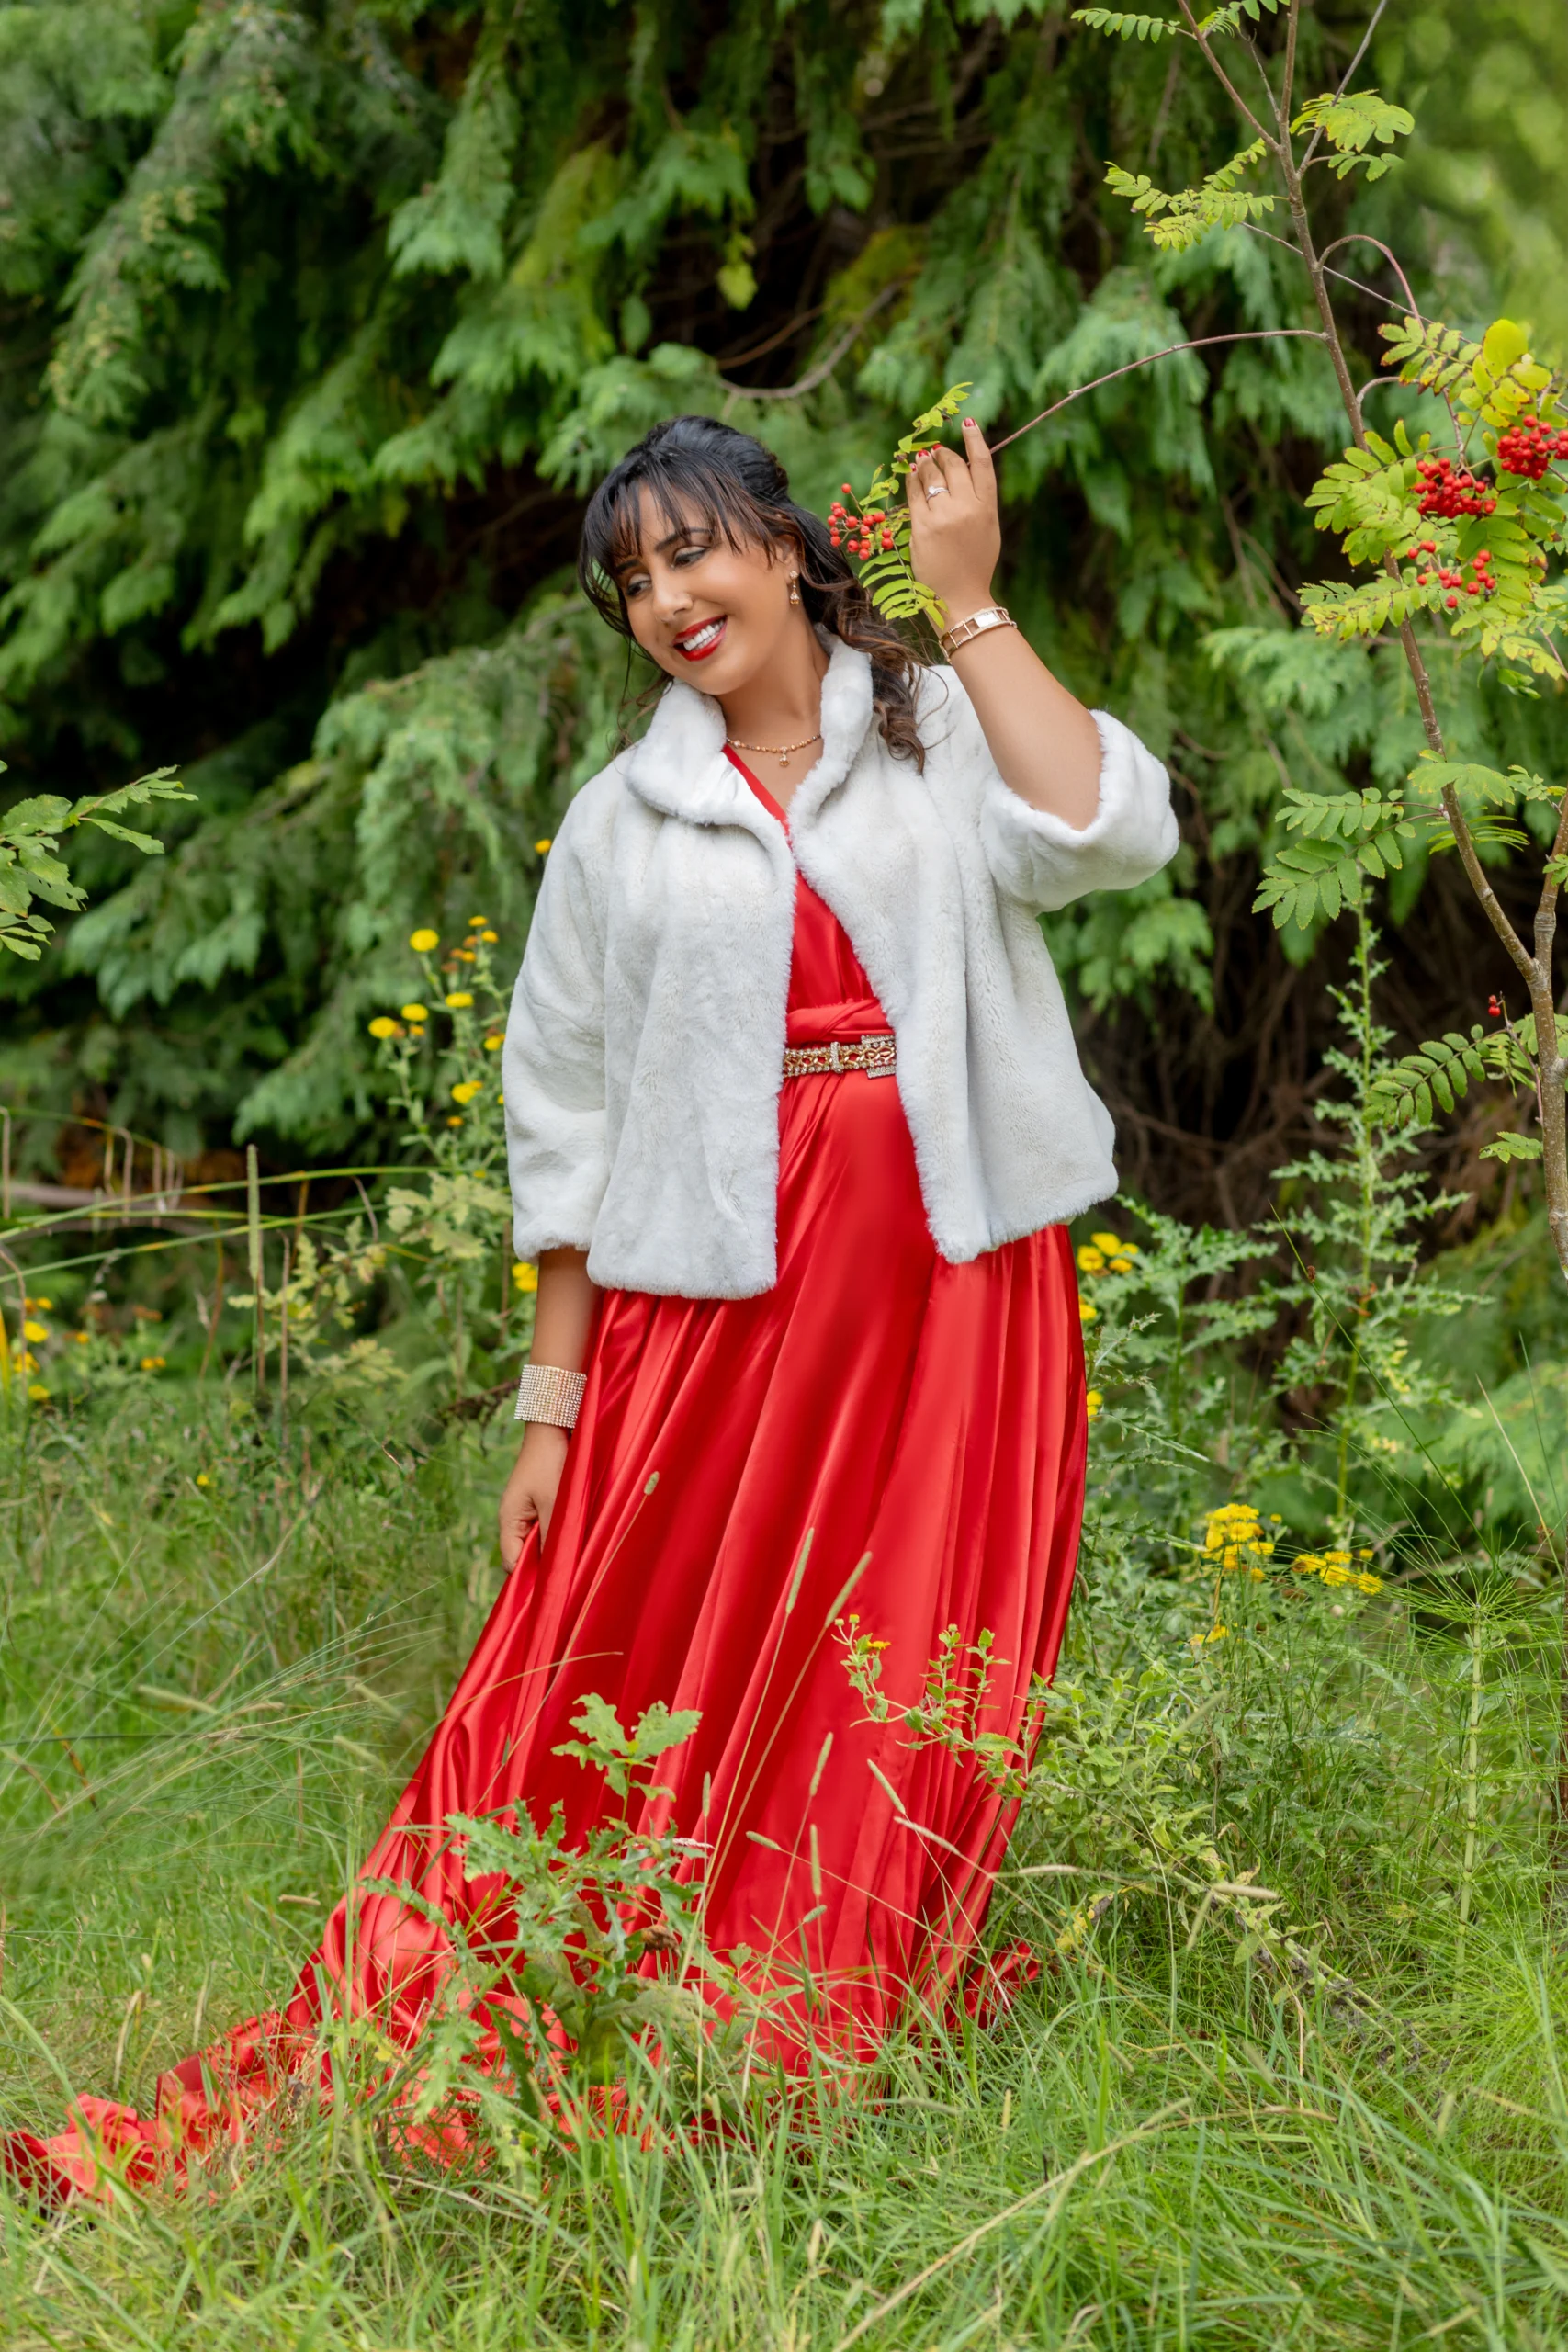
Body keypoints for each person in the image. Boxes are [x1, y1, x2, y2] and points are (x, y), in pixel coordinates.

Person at [6, 413, 1175, 2202]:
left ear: (788, 545)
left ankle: (822, 1996)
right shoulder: (624, 823)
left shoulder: (937, 732)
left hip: (957, 1287)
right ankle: (577, 1990)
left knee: (904, 1650)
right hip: (714, 1309)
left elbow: (1107, 829)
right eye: (632, 579)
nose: (667, 598)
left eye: (692, 550)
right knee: (622, 1656)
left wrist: (970, 602)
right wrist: (550, 1411)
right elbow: (563, 1122)